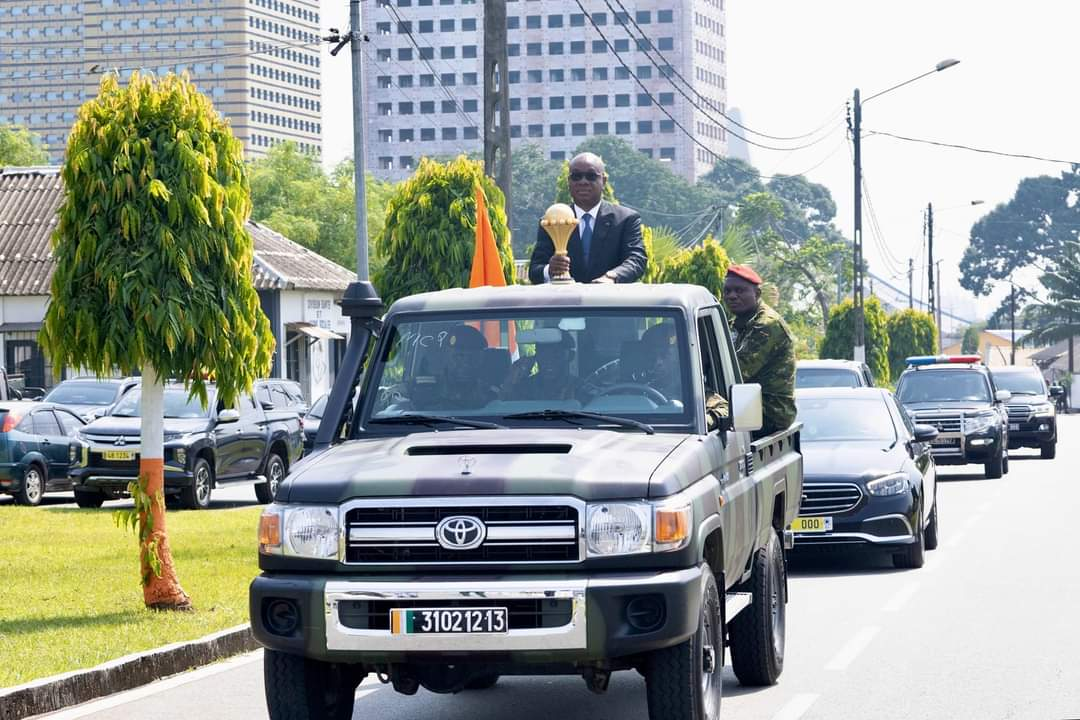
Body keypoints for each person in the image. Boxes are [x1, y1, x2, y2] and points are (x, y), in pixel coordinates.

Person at [528, 152, 647, 285]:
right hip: (565, 302)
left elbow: (636, 260)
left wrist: (612, 277)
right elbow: (534, 271)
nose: (583, 182)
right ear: (569, 182)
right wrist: (550, 269)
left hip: (610, 300)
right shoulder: (552, 221)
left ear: (604, 181)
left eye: (591, 176)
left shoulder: (625, 219)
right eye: (576, 176)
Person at [723, 264, 796, 436]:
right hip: (747, 406)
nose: (732, 296)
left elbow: (736, 373)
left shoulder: (766, 325)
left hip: (771, 411)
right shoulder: (738, 323)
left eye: (740, 290)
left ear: (757, 294)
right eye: (727, 291)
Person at [639, 322, 729, 430]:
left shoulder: (690, 388)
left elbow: (724, 409)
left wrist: (705, 421)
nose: (658, 362)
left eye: (664, 355)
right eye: (652, 356)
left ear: (678, 357)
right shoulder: (635, 389)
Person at [426, 325, 499, 410]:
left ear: (482, 360)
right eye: (458, 356)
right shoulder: (426, 389)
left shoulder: (492, 395)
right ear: (446, 357)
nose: (466, 364)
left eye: (473, 358)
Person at [501, 332, 578, 401]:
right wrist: (513, 377)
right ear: (535, 357)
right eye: (543, 353)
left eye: (556, 354)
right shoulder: (525, 388)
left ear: (571, 356)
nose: (549, 360)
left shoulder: (579, 389)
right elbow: (501, 407)